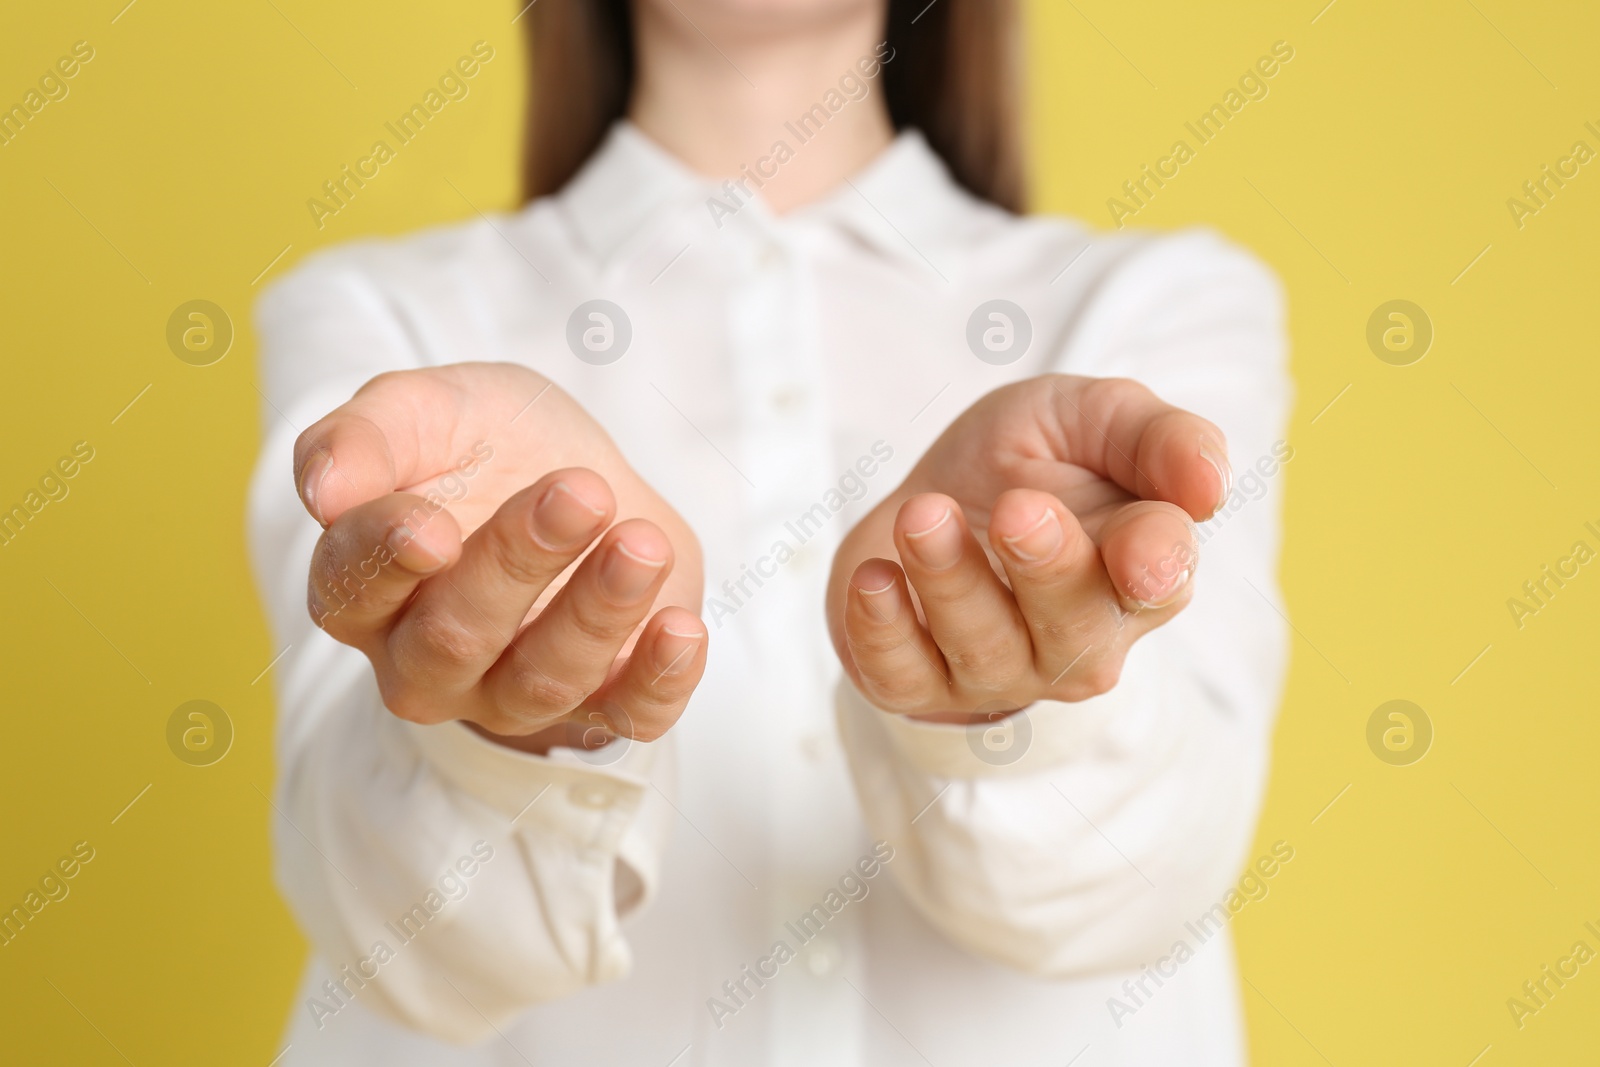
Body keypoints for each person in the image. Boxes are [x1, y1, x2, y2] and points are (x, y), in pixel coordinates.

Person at [247, 0, 1292, 1063]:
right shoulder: (383, 317)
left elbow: (1155, 880)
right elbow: (382, 932)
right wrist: (513, 727)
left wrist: (1006, 701)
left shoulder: (1153, 303)